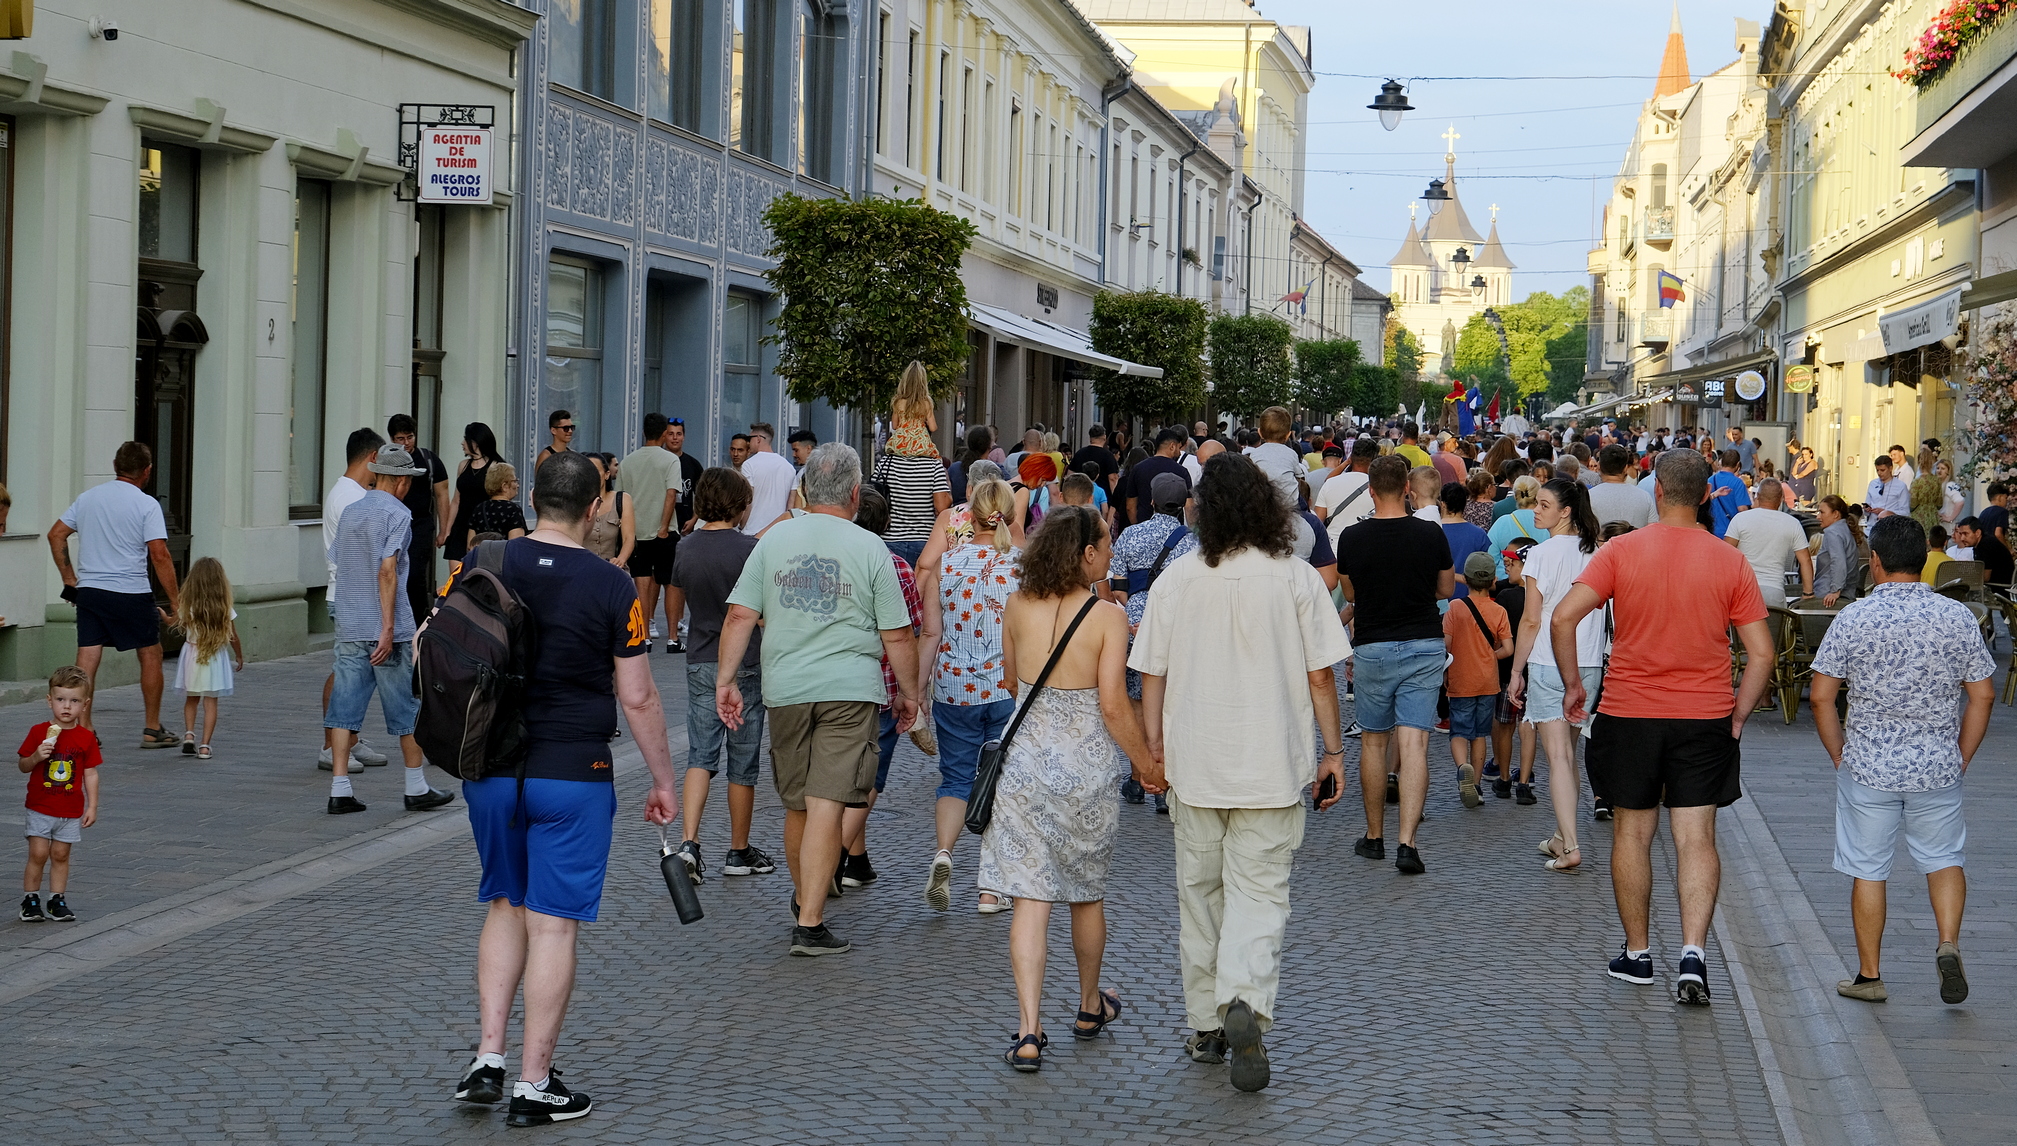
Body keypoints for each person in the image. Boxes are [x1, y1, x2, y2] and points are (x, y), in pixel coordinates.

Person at [452, 452, 682, 1128]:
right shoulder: (612, 587)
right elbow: (636, 697)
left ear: (532, 502)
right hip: (572, 773)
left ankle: (486, 1058)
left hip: (491, 769)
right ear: (594, 509)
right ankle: (533, 1083)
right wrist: (663, 780)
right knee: (552, 924)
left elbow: (433, 650)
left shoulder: (484, 563)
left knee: (502, 903)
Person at [1132, 454, 1350, 1092]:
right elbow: (1320, 675)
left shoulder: (1177, 578)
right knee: (1260, 895)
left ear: (1204, 509)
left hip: (1195, 762)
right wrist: (1333, 751)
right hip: (1270, 763)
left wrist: (1153, 748)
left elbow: (1153, 673)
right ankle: (1245, 1002)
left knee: (1199, 895)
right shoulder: (1294, 577)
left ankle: (1205, 1022)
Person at [1550, 449, 1774, 1005]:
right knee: (1696, 837)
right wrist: (1739, 712)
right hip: (1704, 715)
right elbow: (1763, 654)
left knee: (1633, 832)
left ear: (1656, 493)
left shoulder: (1622, 550)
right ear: (1704, 496)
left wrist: (1574, 685)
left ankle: (1638, 952)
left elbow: (1562, 617)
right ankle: (1693, 953)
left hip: (1631, 711)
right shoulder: (1729, 561)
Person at [715, 443, 919, 957]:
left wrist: (726, 680)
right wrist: (911, 695)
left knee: (797, 803)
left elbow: (740, 615)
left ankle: (806, 897)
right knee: (827, 801)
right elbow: (897, 634)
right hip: (849, 689)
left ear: (803, 492)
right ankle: (809, 920)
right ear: (855, 493)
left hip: (786, 687)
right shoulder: (872, 548)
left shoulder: (773, 540)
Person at [982, 507, 1158, 1072]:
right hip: (1084, 769)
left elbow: (1009, 679)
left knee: (1030, 900)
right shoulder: (1109, 616)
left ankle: (1028, 1031)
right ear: (1085, 553)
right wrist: (1147, 764)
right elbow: (1112, 703)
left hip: (1025, 763)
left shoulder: (1016, 604)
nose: (1110, 553)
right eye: (1104, 544)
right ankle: (1088, 1004)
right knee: (1086, 892)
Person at [1807, 515, 1994, 1006]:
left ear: (1876, 563)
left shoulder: (1854, 618)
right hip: (1936, 764)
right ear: (1925, 561)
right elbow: (1983, 696)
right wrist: (1962, 755)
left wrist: (1838, 753)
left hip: (1868, 763)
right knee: (1944, 858)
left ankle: (1870, 976)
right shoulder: (1957, 617)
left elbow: (1822, 697)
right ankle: (1948, 943)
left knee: (1869, 868)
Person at [1336, 455, 1453, 874]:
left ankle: (1374, 836)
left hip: (1374, 644)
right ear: (1407, 488)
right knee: (1415, 743)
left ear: (1370, 490)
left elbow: (1351, 594)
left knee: (1373, 741)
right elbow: (1445, 587)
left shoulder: (1351, 537)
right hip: (1423, 642)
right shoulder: (1429, 533)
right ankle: (1408, 843)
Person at [324, 444, 455, 815]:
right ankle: (415, 787)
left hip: (350, 621)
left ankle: (340, 789)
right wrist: (387, 627)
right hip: (387, 627)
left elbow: (340, 562)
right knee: (405, 707)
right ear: (399, 481)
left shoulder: (351, 511)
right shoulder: (398, 513)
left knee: (344, 708)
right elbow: (387, 570)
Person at [917, 477, 1023, 913]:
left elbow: (930, 633)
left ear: (969, 515)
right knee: (1003, 781)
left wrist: (917, 691)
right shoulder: (1021, 566)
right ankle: (990, 887)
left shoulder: (946, 564)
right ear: (1009, 514)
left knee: (956, 777)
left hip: (955, 687)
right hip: (1007, 687)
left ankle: (944, 852)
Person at [664, 467, 773, 881]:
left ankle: (689, 842)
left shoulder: (686, 548)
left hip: (700, 657)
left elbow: (679, 595)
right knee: (742, 762)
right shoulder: (751, 549)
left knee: (700, 754)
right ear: (740, 504)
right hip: (744, 661)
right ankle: (738, 849)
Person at [47, 441, 181, 746]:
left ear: (114, 465)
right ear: (147, 471)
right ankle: (152, 727)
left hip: (91, 591)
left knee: (87, 657)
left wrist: (70, 580)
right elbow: (159, 554)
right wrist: (175, 601)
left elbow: (56, 534)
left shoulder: (88, 498)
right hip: (130, 590)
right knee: (150, 653)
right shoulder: (147, 504)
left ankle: (84, 728)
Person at [1506, 478, 1605, 873]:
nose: (1536, 509)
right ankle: (1563, 836)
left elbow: (1531, 620)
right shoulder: (1596, 552)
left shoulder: (1542, 555)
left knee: (1559, 758)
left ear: (1565, 511)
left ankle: (1571, 846)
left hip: (1549, 661)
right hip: (1590, 661)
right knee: (1570, 755)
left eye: (1544, 505)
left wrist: (1516, 671)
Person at [17, 666, 100, 923]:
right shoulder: (38, 732)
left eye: (74, 701)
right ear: (49, 700)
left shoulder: (86, 738)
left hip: (70, 809)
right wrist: (36, 756)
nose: (67, 707)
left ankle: (57, 899)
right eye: (61, 700)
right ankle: (30, 899)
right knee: (39, 853)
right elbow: (22, 765)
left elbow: (90, 773)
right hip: (41, 806)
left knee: (61, 854)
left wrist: (92, 806)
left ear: (84, 705)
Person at [1443, 552, 1512, 808]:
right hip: (1488, 680)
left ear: (1466, 579)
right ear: (1493, 579)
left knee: (1460, 731)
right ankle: (1477, 786)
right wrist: (1490, 655)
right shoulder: (1499, 610)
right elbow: (1508, 648)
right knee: (1481, 733)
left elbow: (1446, 645)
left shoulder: (1454, 608)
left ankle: (1463, 768)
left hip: (1461, 678)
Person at [618, 414, 685, 653]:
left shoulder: (627, 461)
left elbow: (622, 498)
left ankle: (644, 635)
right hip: (664, 532)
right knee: (671, 583)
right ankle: (673, 638)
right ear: (665, 433)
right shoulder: (670, 460)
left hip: (636, 531)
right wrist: (664, 527)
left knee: (642, 583)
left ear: (644, 432)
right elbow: (671, 494)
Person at [174, 557, 242, 760]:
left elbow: (182, 625)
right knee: (211, 702)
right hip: (213, 655)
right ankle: (204, 746)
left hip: (192, 654)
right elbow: (232, 636)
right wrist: (239, 654)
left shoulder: (188, 606)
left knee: (191, 698)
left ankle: (188, 734)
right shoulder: (224, 608)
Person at [388, 415, 452, 627]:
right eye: (400, 438)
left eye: (410, 437)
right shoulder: (386, 460)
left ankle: (417, 622)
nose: (406, 443)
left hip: (420, 525)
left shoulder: (428, 459)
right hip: (392, 525)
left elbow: (442, 494)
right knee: (390, 573)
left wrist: (444, 530)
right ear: (391, 438)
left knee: (414, 575)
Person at [1490, 540, 1540, 802]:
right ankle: (1524, 782)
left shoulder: (1506, 597)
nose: (1508, 565)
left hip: (1508, 671)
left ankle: (1505, 778)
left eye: (1514, 563)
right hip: (1535, 670)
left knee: (1505, 724)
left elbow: (1498, 637)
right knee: (1528, 725)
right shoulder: (1544, 597)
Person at [1724, 479, 1813, 609]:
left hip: (1744, 589)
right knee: (1774, 628)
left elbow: (1725, 554)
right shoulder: (1792, 523)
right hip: (1774, 590)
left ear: (1758, 496)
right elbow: (1805, 560)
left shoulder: (1740, 519)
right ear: (1781, 498)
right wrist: (1808, 593)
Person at [873, 425, 952, 569]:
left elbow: (873, 497)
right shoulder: (934, 466)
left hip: (889, 540)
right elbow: (942, 506)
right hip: (924, 541)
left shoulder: (886, 463)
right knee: (919, 588)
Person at [444, 422, 505, 564]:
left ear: (475, 442)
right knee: (456, 577)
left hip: (483, 526)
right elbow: (456, 500)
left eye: (465, 439)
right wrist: (447, 530)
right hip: (460, 526)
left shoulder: (495, 466)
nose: (462, 443)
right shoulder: (463, 465)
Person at [1314, 437, 1380, 548]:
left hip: (1333, 547)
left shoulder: (1330, 483)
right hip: (1365, 546)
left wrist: (1347, 462)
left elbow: (1317, 521)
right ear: (1373, 459)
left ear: (1351, 457)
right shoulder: (1378, 487)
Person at [1120, 428, 1192, 528]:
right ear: (1172, 446)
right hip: (1174, 531)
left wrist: (1137, 526)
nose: (1180, 453)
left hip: (1144, 525)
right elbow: (1189, 506)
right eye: (1179, 448)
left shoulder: (1138, 468)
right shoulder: (1181, 471)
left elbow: (1130, 506)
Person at [1437, 483, 1492, 600]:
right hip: (1470, 599)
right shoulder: (1479, 534)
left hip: (1439, 598)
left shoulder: (1433, 532)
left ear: (1443, 504)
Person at [742, 423, 799, 536]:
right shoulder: (788, 467)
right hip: (778, 532)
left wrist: (742, 525)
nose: (748, 443)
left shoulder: (749, 465)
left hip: (752, 530)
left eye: (750, 438)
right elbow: (790, 505)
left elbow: (748, 500)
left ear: (758, 439)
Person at [581, 454, 635, 568]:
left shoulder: (622, 499)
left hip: (613, 568)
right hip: (583, 569)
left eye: (596, 471)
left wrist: (620, 560)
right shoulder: (576, 503)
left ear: (606, 475)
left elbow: (629, 538)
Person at [1486, 475, 1543, 579]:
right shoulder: (1546, 523)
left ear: (1515, 496)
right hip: (1538, 581)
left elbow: (1490, 558)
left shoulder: (1502, 522)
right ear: (1537, 496)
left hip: (1505, 582)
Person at [883, 360, 942, 459]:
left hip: (900, 444)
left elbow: (894, 425)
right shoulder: (926, 402)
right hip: (921, 444)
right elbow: (933, 427)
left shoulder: (898, 401)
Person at [1587, 445, 1655, 529]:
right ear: (1625, 468)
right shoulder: (1645, 497)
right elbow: (1652, 528)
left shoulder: (1589, 497)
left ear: (1599, 466)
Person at [1813, 495, 1864, 607]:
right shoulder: (1846, 530)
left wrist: (1835, 590)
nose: (1818, 517)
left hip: (1827, 596)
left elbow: (1838, 561)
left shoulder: (1832, 532)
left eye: (1822, 512)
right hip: (1847, 594)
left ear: (1835, 514)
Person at [465, 463, 528, 549]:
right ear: (504, 486)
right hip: (501, 560)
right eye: (515, 481)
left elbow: (470, 546)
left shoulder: (479, 508)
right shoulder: (513, 510)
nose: (518, 485)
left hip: (481, 560)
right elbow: (515, 546)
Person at [1707, 450, 1750, 538]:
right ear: (1738, 465)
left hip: (1711, 530)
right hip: (1730, 532)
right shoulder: (1738, 483)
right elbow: (1742, 509)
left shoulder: (1710, 480)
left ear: (1721, 462)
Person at [1071, 424, 1121, 497]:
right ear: (1104, 437)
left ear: (1090, 438)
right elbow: (1112, 478)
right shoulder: (1108, 456)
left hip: (1081, 495)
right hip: (1103, 498)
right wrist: (1115, 499)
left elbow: (1071, 475)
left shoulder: (1079, 453)